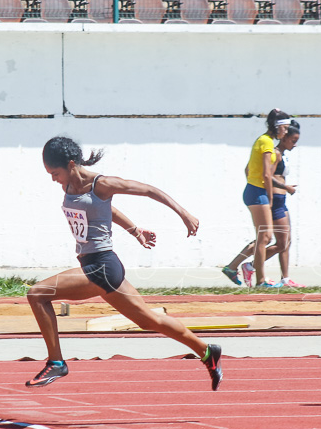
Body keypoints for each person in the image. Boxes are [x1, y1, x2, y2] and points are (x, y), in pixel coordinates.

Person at [25, 136, 222, 390]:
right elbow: (104, 211)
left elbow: (149, 190)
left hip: (101, 267)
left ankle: (56, 362)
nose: (53, 179)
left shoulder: (102, 184)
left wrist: (184, 213)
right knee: (149, 320)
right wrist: (134, 230)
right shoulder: (70, 186)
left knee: (37, 294)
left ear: (71, 164)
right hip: (100, 268)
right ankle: (207, 352)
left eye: (55, 173)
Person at [221, 121, 305, 289]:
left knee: (282, 241)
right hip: (273, 199)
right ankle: (249, 267)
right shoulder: (274, 152)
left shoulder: (282, 153)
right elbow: (265, 174)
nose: (295, 144)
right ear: (284, 137)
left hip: (280, 201)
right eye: (293, 140)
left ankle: (282, 277)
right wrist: (283, 188)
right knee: (270, 239)